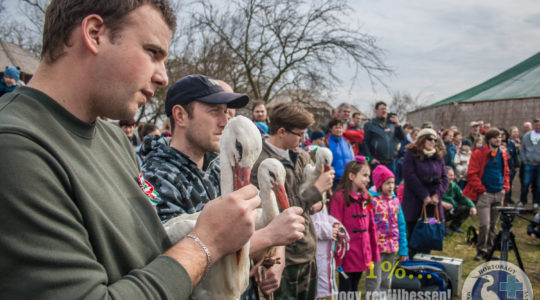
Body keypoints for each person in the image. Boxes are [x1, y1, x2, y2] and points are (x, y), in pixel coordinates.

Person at [0, 1, 265, 298]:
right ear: (95, 33)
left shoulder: (115, 142)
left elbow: (152, 246)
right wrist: (207, 243)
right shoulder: (15, 147)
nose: (163, 77)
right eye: (153, 52)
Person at [141, 75, 306, 297]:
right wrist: (268, 237)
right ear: (180, 115)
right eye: (213, 111)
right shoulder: (155, 177)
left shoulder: (222, 165)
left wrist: (274, 256)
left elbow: (254, 221)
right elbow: (173, 263)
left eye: (226, 112)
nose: (224, 121)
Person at [250, 102, 334, 300]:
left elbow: (314, 204)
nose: (304, 139)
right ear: (281, 131)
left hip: (307, 251)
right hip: (282, 259)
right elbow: (275, 212)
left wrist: (319, 200)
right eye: (300, 134)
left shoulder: (302, 156)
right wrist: (316, 190)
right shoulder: (260, 163)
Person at [330, 156, 379, 295]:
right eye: (364, 175)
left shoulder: (366, 197)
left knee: (355, 286)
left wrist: (373, 252)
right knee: (346, 288)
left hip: (362, 251)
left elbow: (371, 227)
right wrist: (337, 258)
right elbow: (337, 228)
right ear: (351, 176)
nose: (368, 180)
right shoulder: (339, 197)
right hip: (347, 253)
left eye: (368, 176)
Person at [463, 128, 510, 261]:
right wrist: (481, 190)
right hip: (485, 193)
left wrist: (504, 188)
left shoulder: (503, 154)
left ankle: (489, 250)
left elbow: (506, 172)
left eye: (500, 137)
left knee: (494, 225)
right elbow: (471, 174)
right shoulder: (479, 153)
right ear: (489, 139)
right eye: (495, 137)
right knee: (485, 223)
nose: (498, 139)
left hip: (498, 192)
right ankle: (481, 249)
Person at [401, 128, 448, 256]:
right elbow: (409, 176)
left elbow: (444, 178)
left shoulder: (438, 156)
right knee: (414, 234)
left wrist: (437, 194)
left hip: (433, 204)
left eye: (435, 139)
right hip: (414, 202)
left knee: (429, 230)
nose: (432, 142)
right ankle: (410, 262)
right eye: (429, 138)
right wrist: (424, 195)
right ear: (422, 139)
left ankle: (425, 260)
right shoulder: (411, 154)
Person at [365, 165, 408, 293]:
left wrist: (403, 248)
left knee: (386, 278)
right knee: (374, 278)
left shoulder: (395, 201)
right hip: (375, 248)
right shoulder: (371, 201)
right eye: (387, 183)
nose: (391, 186)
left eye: (393, 183)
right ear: (379, 184)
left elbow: (401, 225)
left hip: (391, 246)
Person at [311, 200, 345, 299]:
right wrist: (328, 230)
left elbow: (322, 218)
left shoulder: (320, 193)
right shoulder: (304, 192)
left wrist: (334, 223)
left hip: (325, 257)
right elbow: (305, 226)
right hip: (313, 257)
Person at [363, 101, 406, 176]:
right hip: (378, 162)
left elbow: (403, 138)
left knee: (391, 185)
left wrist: (398, 124)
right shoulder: (370, 125)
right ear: (376, 111)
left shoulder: (392, 124)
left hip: (392, 162)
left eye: (385, 109)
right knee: (376, 186)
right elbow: (365, 143)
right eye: (382, 109)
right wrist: (370, 159)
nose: (384, 111)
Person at [442, 167, 477, 234]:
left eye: (453, 175)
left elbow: (463, 196)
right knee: (435, 216)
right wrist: (443, 203)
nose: (452, 177)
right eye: (450, 175)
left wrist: (472, 206)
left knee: (466, 207)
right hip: (435, 215)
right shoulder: (438, 185)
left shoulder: (454, 186)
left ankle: (455, 225)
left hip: (451, 209)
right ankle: (442, 227)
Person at [519, 118, 540, 209]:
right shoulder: (527, 136)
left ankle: (536, 201)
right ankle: (523, 200)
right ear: (533, 125)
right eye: (536, 125)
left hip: (539, 163)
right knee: (526, 183)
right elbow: (522, 149)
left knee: (539, 184)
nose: (538, 127)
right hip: (529, 163)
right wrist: (525, 160)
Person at [327, 118, 354, 187]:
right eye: (336, 128)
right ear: (331, 129)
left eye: (340, 128)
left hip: (348, 178)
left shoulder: (347, 142)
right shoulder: (327, 143)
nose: (339, 130)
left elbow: (352, 159)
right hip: (335, 180)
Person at [500, 128, 520, 204]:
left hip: (510, 167)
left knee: (509, 184)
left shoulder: (511, 143)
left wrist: (517, 165)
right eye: (500, 135)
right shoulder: (495, 143)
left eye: (503, 134)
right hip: (500, 168)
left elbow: (515, 155)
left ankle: (507, 200)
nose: (502, 136)